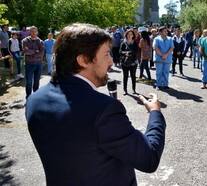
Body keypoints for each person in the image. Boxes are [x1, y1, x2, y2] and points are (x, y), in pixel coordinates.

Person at [25, 23, 166, 185]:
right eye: (106, 54)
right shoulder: (104, 110)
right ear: (84, 60)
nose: (112, 62)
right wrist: (155, 113)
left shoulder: (34, 100)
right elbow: (149, 158)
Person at [22, 26, 44, 99]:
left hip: (39, 64)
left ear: (37, 32)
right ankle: (28, 96)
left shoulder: (40, 41)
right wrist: (36, 51)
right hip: (29, 64)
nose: (33, 33)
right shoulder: (25, 41)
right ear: (29, 32)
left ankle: (35, 96)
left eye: (35, 31)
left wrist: (31, 51)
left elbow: (41, 53)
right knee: (29, 82)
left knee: (37, 81)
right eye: (32, 31)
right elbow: (26, 51)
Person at [120, 29, 138, 95]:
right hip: (125, 62)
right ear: (126, 35)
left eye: (131, 34)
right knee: (125, 76)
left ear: (133, 35)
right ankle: (125, 90)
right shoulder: (123, 42)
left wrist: (129, 53)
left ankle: (134, 90)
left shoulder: (135, 42)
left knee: (133, 76)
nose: (130, 35)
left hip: (133, 62)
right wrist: (125, 53)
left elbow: (136, 51)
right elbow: (120, 51)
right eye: (128, 34)